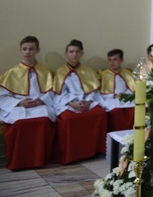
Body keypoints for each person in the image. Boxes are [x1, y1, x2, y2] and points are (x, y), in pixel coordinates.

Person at [0, 35, 56, 170]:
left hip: (40, 106)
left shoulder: (46, 71)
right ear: (20, 50)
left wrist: (40, 100)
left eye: (31, 49)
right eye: (24, 49)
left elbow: (52, 91)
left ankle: (40, 160)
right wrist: (19, 103)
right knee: (19, 124)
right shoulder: (11, 73)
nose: (27, 52)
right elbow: (2, 95)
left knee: (43, 121)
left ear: (37, 50)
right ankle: (18, 161)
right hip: (18, 107)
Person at [53, 39, 107, 164]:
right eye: (71, 52)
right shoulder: (60, 72)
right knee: (67, 119)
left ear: (82, 54)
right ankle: (70, 154)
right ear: (66, 54)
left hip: (88, 102)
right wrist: (72, 103)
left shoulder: (88, 70)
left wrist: (88, 102)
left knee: (100, 114)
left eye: (77, 52)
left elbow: (94, 90)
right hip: (69, 103)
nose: (74, 54)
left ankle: (95, 150)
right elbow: (58, 93)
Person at [99, 48, 135, 132]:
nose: (112, 62)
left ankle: (131, 134)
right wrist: (113, 96)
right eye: (109, 60)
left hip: (126, 98)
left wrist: (125, 95)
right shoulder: (103, 74)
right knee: (116, 112)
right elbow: (101, 91)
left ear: (121, 60)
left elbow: (132, 88)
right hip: (111, 99)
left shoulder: (127, 73)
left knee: (134, 109)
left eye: (115, 59)